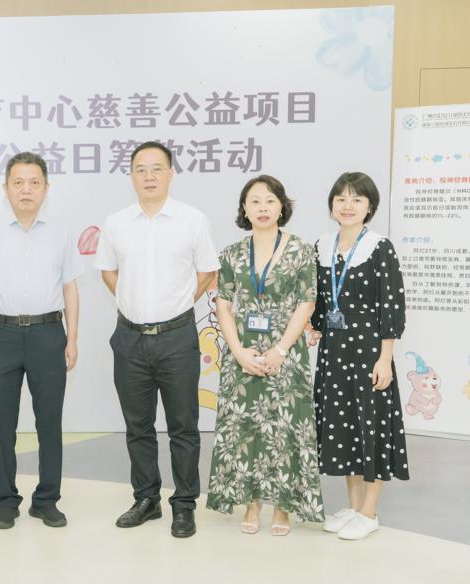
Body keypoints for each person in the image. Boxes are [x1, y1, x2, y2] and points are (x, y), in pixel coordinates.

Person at [94, 141, 218, 538]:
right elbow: (108, 270)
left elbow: (207, 272)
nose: (149, 176)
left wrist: (178, 303)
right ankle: (146, 498)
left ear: (171, 174)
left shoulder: (192, 220)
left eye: (157, 169)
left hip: (177, 337)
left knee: (184, 425)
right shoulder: (117, 223)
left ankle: (184, 504)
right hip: (129, 338)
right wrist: (131, 301)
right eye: (141, 169)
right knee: (138, 425)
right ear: (131, 176)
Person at [0, 152, 83, 530]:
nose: (26, 190)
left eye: (34, 182)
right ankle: (5, 500)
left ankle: (47, 499)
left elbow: (70, 288)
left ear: (47, 188)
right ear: (6, 188)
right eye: (18, 182)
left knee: (49, 421)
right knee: (2, 423)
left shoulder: (61, 233)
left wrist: (72, 339)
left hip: (49, 334)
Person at [204, 175, 323, 535]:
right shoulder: (231, 254)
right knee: (246, 428)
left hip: (286, 352)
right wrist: (238, 351)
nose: (262, 208)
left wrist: (281, 349)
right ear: (244, 209)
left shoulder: (301, 250)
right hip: (243, 351)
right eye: (254, 201)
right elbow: (224, 305)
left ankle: (283, 507)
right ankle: (252, 502)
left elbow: (307, 302)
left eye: (270, 200)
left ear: (282, 207)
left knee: (286, 428)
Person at [308, 172, 409, 541]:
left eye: (356, 199)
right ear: (332, 205)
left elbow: (391, 305)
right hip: (334, 351)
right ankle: (353, 507)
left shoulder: (379, 247)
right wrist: (315, 325)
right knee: (344, 427)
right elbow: (319, 298)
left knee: (372, 425)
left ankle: (370, 512)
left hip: (369, 350)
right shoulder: (322, 245)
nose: (347, 206)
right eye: (341, 198)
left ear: (370, 206)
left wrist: (385, 358)